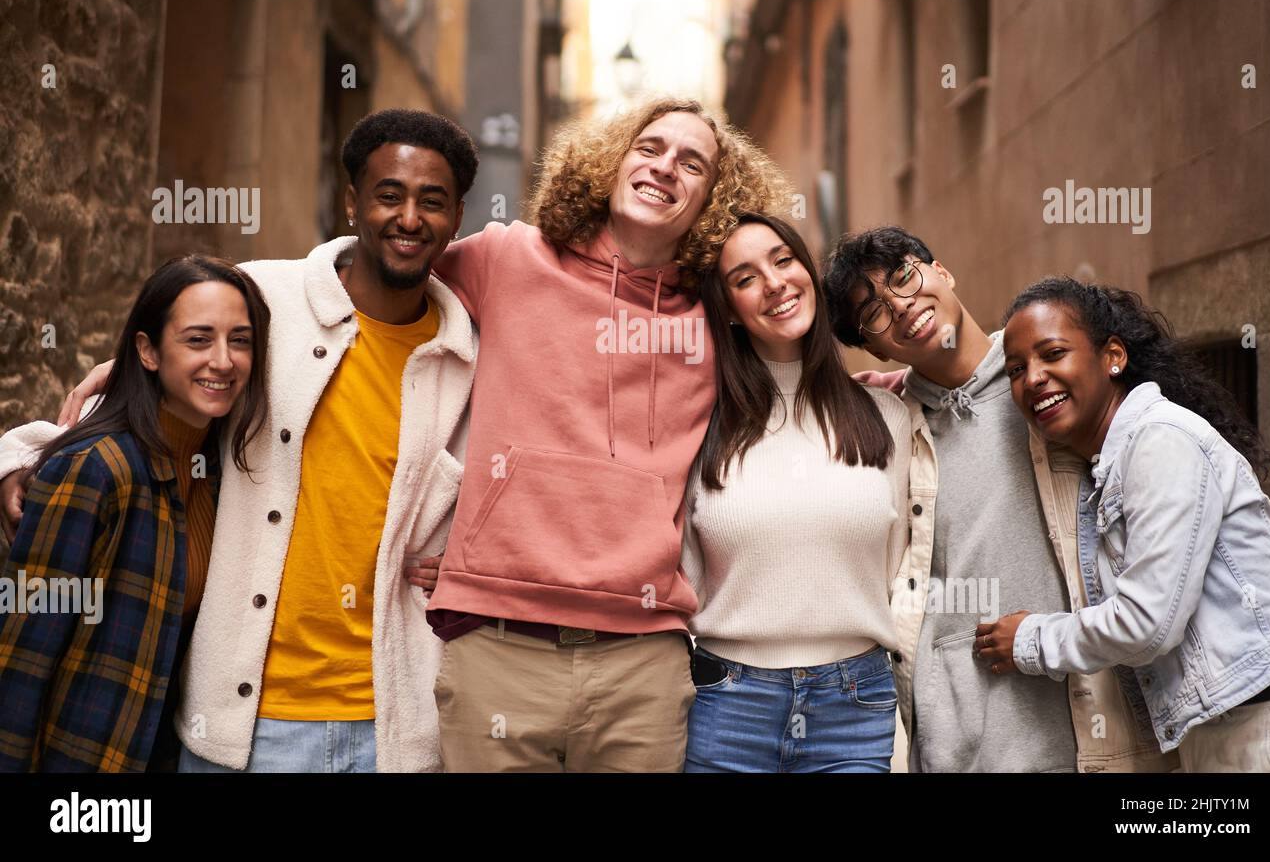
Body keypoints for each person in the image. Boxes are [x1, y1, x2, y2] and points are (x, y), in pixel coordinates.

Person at [0, 108, 479, 772]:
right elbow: (143, 392)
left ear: (457, 219)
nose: (408, 218)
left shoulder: (468, 359)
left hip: (392, 728)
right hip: (245, 724)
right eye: (388, 195)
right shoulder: (262, 299)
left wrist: (469, 563)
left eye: (432, 202)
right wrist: (18, 458)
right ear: (351, 202)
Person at [426, 97, 791, 772]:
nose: (665, 168)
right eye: (649, 148)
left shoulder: (717, 318)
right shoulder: (507, 257)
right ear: (612, 162)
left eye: (692, 163)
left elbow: (809, 377)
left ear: (713, 198)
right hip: (499, 647)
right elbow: (385, 291)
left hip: (642, 662)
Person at [822, 227, 1175, 772]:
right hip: (964, 742)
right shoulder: (886, 426)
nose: (903, 305)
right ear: (873, 347)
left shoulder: (1052, 381)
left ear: (941, 272)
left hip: (1098, 717)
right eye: (875, 313)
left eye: (904, 277)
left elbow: (1173, 483)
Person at [977, 278, 1270, 771]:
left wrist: (1030, 639)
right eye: (1017, 369)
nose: (1034, 378)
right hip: (1225, 729)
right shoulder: (1115, 460)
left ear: (1113, 357)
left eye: (1053, 353)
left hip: (1262, 731)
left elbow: (1148, 624)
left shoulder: (1158, 442)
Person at [0, 256, 270, 771]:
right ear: (147, 351)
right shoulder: (96, 471)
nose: (223, 360)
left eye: (240, 340)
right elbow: (21, 657)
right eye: (197, 339)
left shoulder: (221, 474)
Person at [679, 213, 910, 772]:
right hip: (726, 701)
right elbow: (681, 573)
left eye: (784, 260)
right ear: (729, 310)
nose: (775, 282)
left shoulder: (888, 417)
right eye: (746, 277)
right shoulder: (697, 424)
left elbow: (902, 564)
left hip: (856, 704)